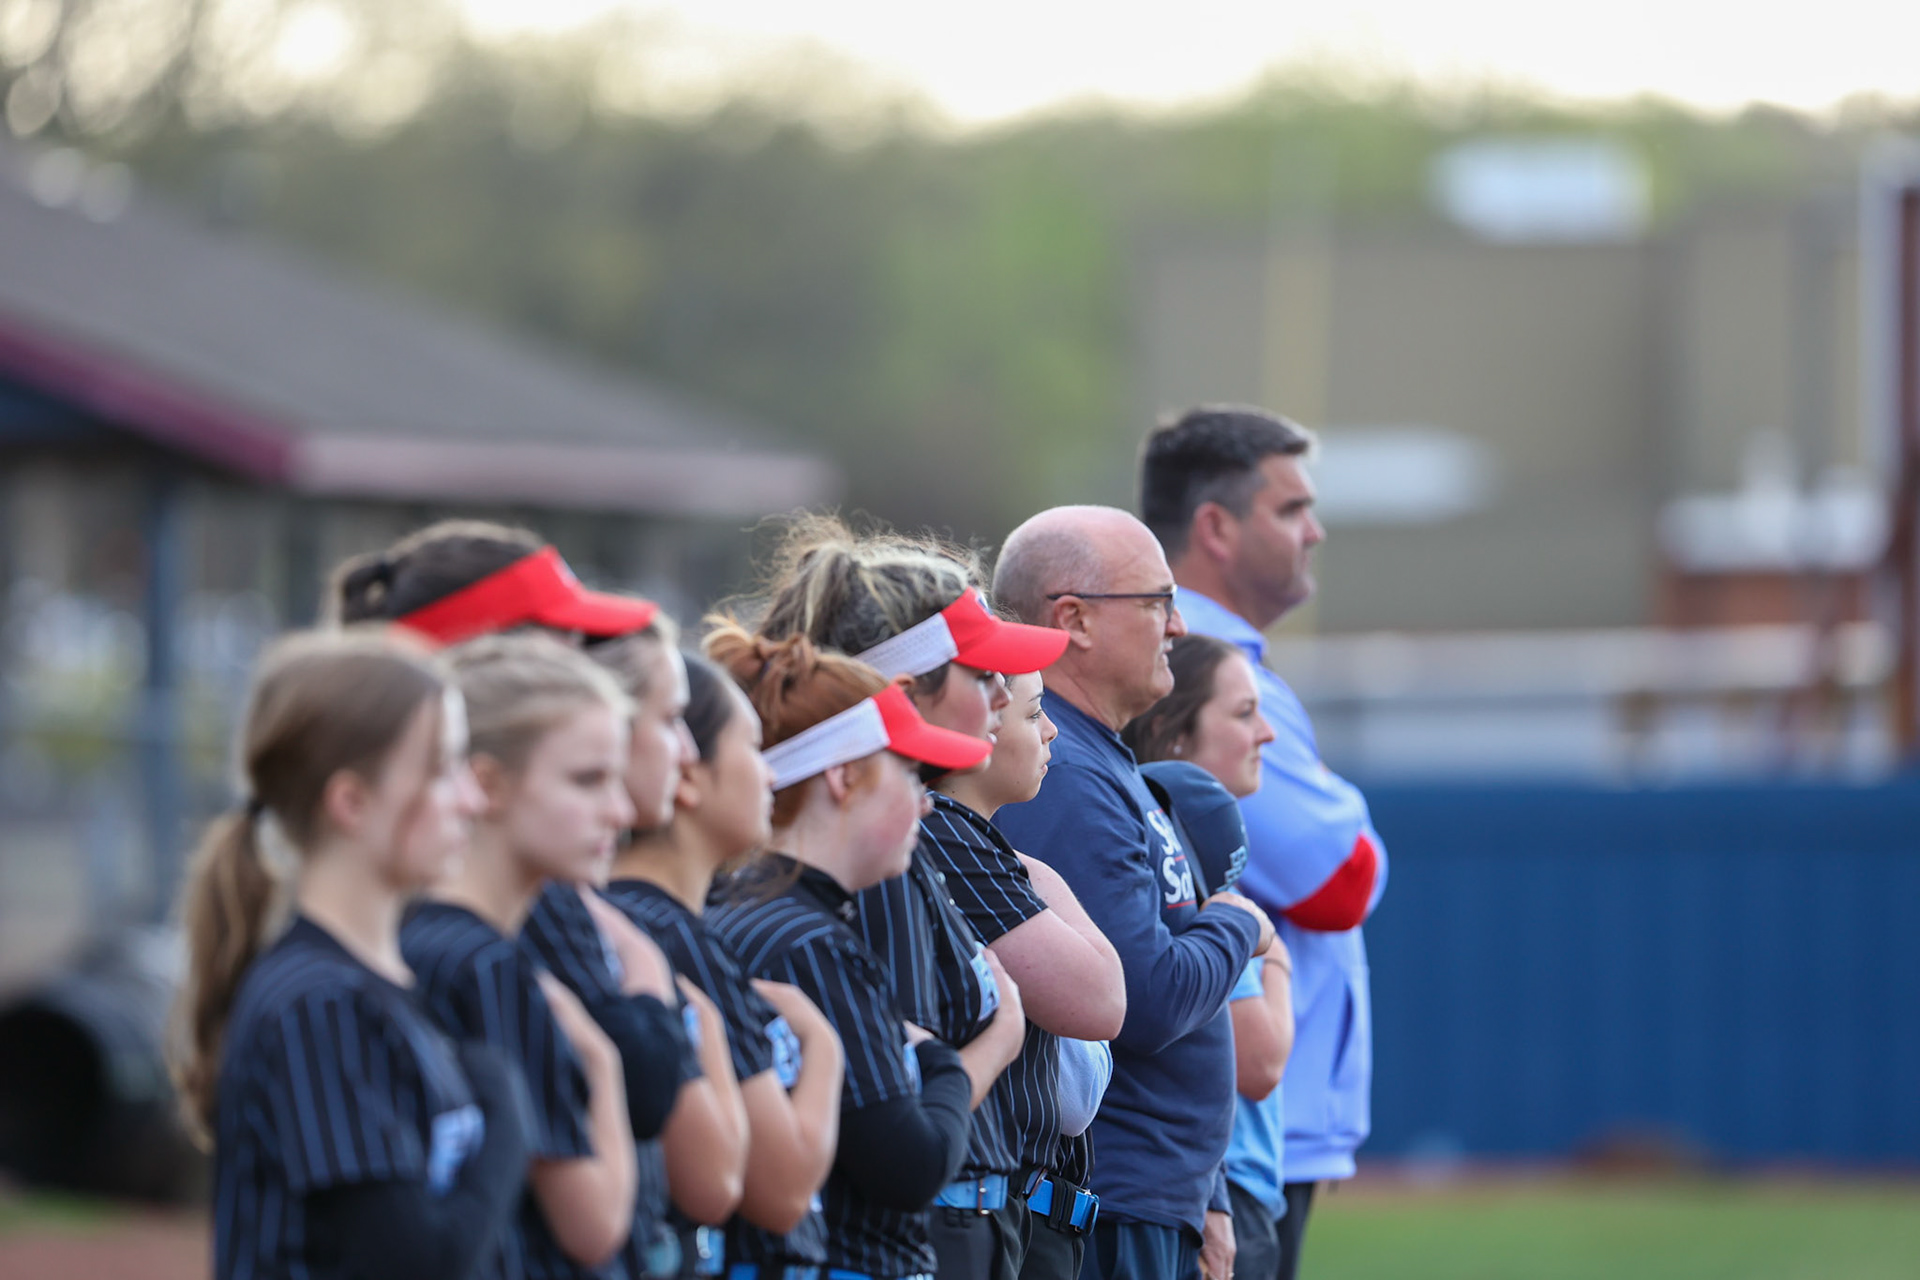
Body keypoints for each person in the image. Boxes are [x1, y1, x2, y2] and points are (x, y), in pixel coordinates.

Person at [333, 519, 734, 1277]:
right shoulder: (474, 920)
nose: (589, 663)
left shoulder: (524, 896)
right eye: (564, 641)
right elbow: (597, 1205)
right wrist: (626, 1024)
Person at [750, 519, 1125, 1280]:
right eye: (979, 674)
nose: (1000, 698)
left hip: (964, 1220)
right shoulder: (893, 849)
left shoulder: (916, 836)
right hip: (924, 1223)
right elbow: (904, 1112)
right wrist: (996, 1041)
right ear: (904, 691)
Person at [170, 629, 533, 1280]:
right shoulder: (319, 1005)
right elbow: (412, 1264)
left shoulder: (375, 987)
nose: (472, 799)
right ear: (351, 802)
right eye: (444, 768)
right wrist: (508, 1116)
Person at [990, 506, 1276, 1280]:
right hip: (1115, 1208)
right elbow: (1142, 1001)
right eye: (1156, 601)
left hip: (1148, 1199)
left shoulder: (1095, 759)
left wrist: (1206, 1185)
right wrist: (1236, 924)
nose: (1178, 625)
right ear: (1073, 619)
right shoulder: (1064, 775)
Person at [1141, 406, 1388, 1280]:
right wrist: (1353, 811)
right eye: (1288, 510)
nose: (1312, 532)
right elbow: (1341, 880)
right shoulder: (1199, 664)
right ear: (1215, 525)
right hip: (1234, 1125)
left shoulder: (1221, 662)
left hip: (1247, 1123)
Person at [703, 628, 1028, 1280]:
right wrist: (960, 1055)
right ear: (844, 776)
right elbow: (911, 1167)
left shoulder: (753, 908)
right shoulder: (814, 941)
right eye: (908, 774)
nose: (925, 802)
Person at [400, 634, 642, 1279]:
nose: (620, 810)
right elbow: (593, 1225)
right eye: (588, 780)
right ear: (488, 784)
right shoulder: (488, 967)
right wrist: (603, 1060)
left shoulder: (412, 936)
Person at [606, 651, 848, 1279]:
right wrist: (825, 1043)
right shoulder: (672, 938)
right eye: (750, 747)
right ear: (690, 775)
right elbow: (782, 1190)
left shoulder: (660, 924)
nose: (769, 775)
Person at [930, 670, 1118, 1280]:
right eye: (1033, 712)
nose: (1052, 730)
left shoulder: (982, 847)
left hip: (1019, 1212)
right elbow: (1101, 1001)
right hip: (990, 1207)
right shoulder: (947, 835)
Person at [1124, 635, 1295, 1280]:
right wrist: (1272, 947)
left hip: (1222, 1188)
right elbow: (1262, 1059)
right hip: (1222, 1190)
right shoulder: (1195, 891)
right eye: (1244, 712)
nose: (1268, 733)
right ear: (1173, 736)